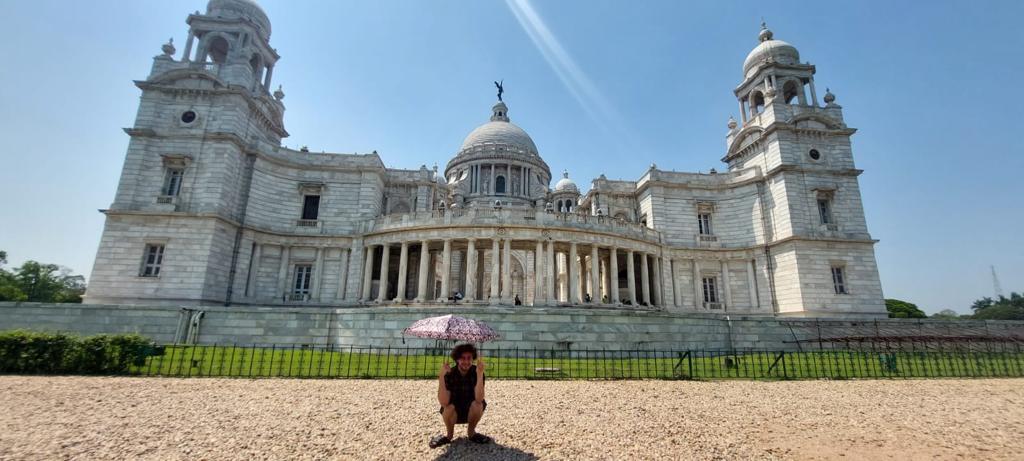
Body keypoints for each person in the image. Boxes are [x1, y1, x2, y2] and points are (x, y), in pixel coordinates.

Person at [430, 343, 492, 448]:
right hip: (454, 413)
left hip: (471, 412)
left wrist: (480, 374)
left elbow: (479, 398)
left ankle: (471, 433)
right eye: (463, 358)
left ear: (473, 359)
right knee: (448, 407)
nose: (466, 361)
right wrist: (441, 376)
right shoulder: (450, 373)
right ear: (457, 359)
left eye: (469, 358)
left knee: (478, 405)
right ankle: (449, 435)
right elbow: (444, 402)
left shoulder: (476, 371)